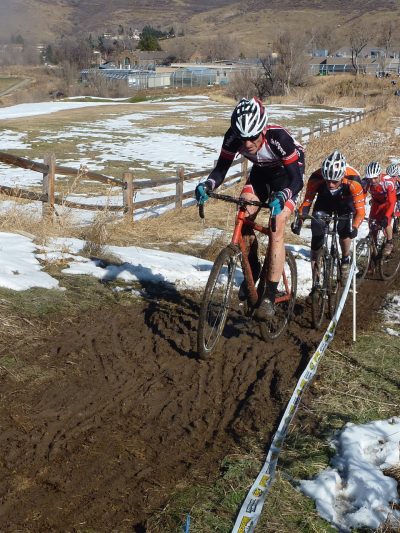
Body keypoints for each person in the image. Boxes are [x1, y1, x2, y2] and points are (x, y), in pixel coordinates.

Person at [195, 97, 305, 317]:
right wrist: (208, 184)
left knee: (277, 225)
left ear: (263, 129)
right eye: (243, 138)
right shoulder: (233, 136)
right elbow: (221, 168)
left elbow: (297, 180)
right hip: (261, 174)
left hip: (288, 177)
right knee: (243, 214)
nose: (247, 144)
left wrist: (283, 195)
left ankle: (269, 298)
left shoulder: (279, 138)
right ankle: (253, 268)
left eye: (253, 137)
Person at [292, 150, 365, 281]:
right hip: (324, 202)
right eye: (327, 181)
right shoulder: (316, 178)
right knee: (316, 235)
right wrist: (300, 221)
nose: (330, 184)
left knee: (345, 230)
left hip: (345, 203)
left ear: (342, 176)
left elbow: (360, 212)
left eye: (334, 181)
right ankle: (316, 281)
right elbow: (307, 203)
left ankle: (345, 259)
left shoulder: (354, 181)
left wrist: (354, 227)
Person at [363, 161, 397, 255]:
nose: (373, 181)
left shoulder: (388, 182)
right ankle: (374, 251)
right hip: (376, 204)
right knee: (372, 225)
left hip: (387, 203)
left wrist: (386, 216)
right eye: (370, 179)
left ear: (380, 175)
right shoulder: (366, 182)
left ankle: (389, 242)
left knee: (386, 222)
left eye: (375, 178)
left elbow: (392, 202)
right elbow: (361, 196)